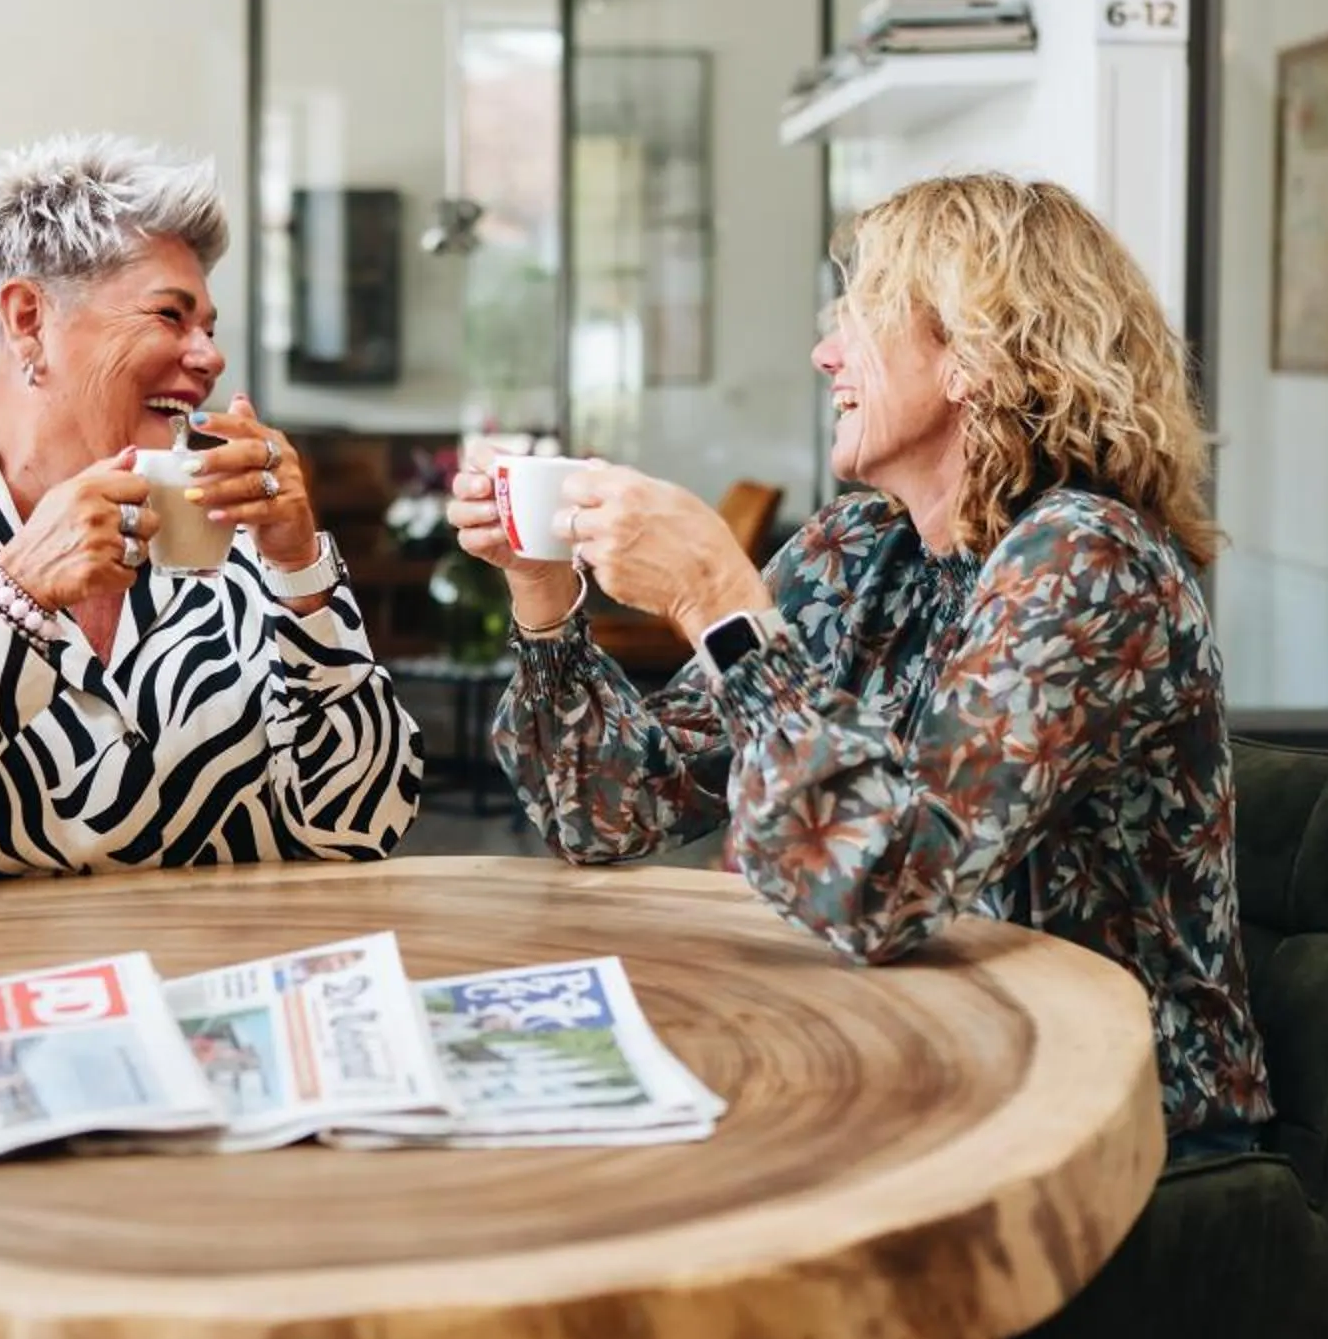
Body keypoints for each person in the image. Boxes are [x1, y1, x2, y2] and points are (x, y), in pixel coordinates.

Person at [457, 171, 1269, 1157]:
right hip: (912, 1057)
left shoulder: (1089, 563)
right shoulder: (860, 550)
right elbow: (607, 809)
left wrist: (718, 598)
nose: (824, 349)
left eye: (861, 312)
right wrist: (544, 593)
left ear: (973, 353)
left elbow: (887, 888)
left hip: (1102, 1125)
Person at [0, 133, 421, 905]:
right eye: (171, 315)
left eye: (209, 325)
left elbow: (366, 822)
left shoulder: (224, 542)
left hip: (194, 1005)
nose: (209, 357)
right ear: (28, 320)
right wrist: (16, 596)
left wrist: (299, 570)